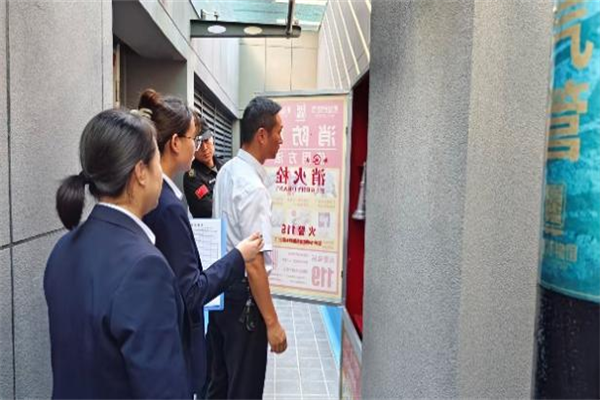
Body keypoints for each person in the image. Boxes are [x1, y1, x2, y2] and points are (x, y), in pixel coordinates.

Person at [45, 109, 190, 399]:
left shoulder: (64, 248)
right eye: (156, 160)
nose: (161, 172)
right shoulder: (145, 268)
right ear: (140, 172)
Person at [138, 89, 263, 397]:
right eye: (194, 139)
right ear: (175, 143)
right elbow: (191, 291)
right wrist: (239, 256)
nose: (199, 145)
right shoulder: (167, 205)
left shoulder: (160, 196)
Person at [207, 96, 288, 400]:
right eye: (279, 131)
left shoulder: (227, 171)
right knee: (244, 389)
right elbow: (254, 264)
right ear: (262, 135)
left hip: (220, 293)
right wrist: (273, 323)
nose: (282, 139)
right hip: (244, 302)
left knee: (219, 383)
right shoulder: (253, 188)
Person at [184, 117, 223, 218]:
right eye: (199, 144)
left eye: (206, 141)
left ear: (212, 139)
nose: (204, 148)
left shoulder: (224, 165)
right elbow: (208, 209)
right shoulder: (192, 176)